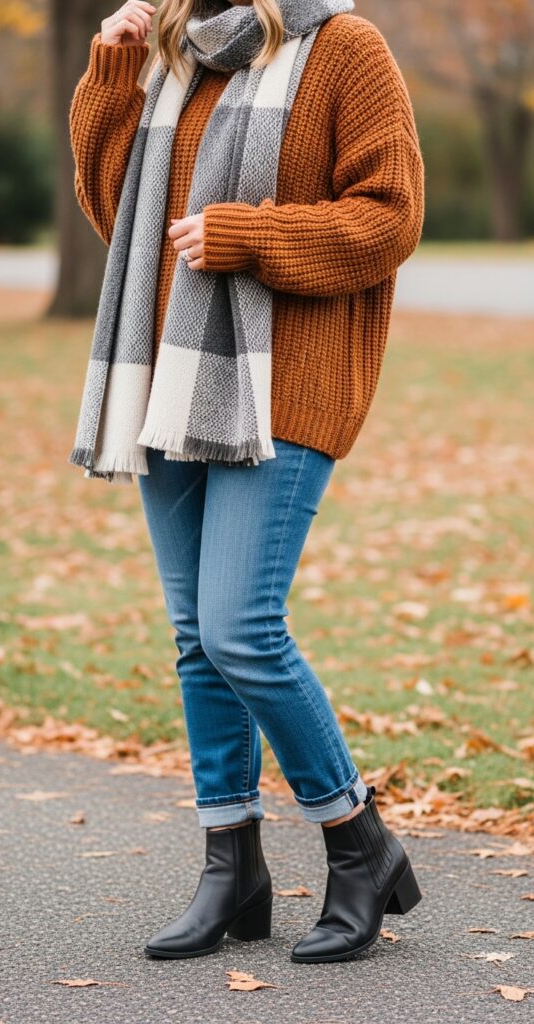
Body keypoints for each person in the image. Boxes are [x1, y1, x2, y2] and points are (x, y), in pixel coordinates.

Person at [69, 0, 425, 964]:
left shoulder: (342, 48)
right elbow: (120, 218)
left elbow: (388, 218)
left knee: (239, 627)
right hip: (166, 378)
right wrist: (113, 71)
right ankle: (232, 866)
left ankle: (359, 843)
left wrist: (248, 236)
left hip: (286, 382)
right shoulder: (171, 56)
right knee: (195, 639)